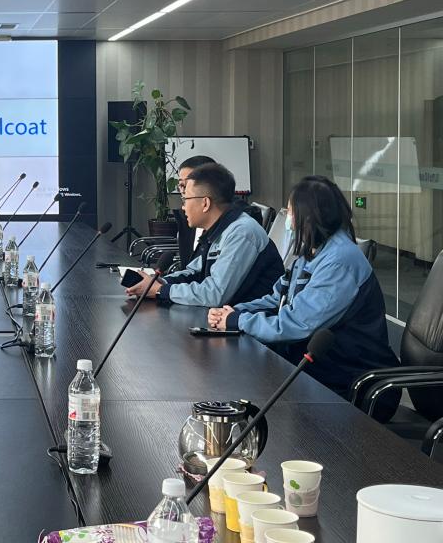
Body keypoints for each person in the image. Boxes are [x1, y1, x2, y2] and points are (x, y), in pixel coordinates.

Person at [209, 176, 400, 408]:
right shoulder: (313, 251)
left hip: (351, 382)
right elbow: (277, 298)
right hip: (319, 370)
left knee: (250, 391)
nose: (288, 218)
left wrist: (238, 320)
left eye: (291, 212)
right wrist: (233, 312)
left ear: (309, 216)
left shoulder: (340, 262)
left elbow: (297, 324)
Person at [127, 163, 282, 306]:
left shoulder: (241, 232)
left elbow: (215, 294)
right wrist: (160, 283)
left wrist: (160, 291)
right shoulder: (218, 229)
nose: (183, 207)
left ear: (205, 203)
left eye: (185, 199)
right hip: (222, 317)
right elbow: (194, 272)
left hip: (248, 320)